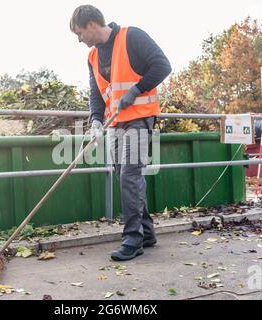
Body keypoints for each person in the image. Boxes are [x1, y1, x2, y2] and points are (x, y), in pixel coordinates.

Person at [70, 5, 172, 261]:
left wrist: (135, 90)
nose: (79, 39)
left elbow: (162, 66)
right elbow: (96, 94)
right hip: (115, 123)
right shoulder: (93, 57)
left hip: (139, 118)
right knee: (124, 174)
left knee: (129, 173)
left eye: (79, 33)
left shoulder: (132, 36)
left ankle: (133, 239)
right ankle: (146, 232)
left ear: (92, 24)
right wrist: (95, 120)